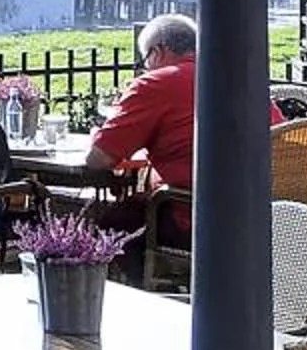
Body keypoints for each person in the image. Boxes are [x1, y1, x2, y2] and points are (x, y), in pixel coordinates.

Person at [85, 13, 280, 247]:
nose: (145, 69)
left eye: (145, 61)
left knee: (109, 223)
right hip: (262, 217)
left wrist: (98, 133)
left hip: (193, 216)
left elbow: (99, 159)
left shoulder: (155, 84)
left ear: (157, 52)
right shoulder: (243, 79)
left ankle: (141, 282)